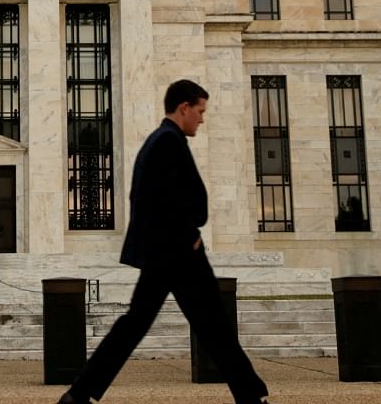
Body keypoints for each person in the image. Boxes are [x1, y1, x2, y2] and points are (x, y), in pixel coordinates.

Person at [57, 79, 270, 404]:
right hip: (177, 254)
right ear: (183, 108)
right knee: (210, 325)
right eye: (199, 111)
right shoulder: (167, 142)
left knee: (158, 324)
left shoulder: (160, 140)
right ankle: (251, 396)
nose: (202, 118)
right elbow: (158, 200)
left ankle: (79, 393)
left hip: (167, 253)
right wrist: (188, 238)